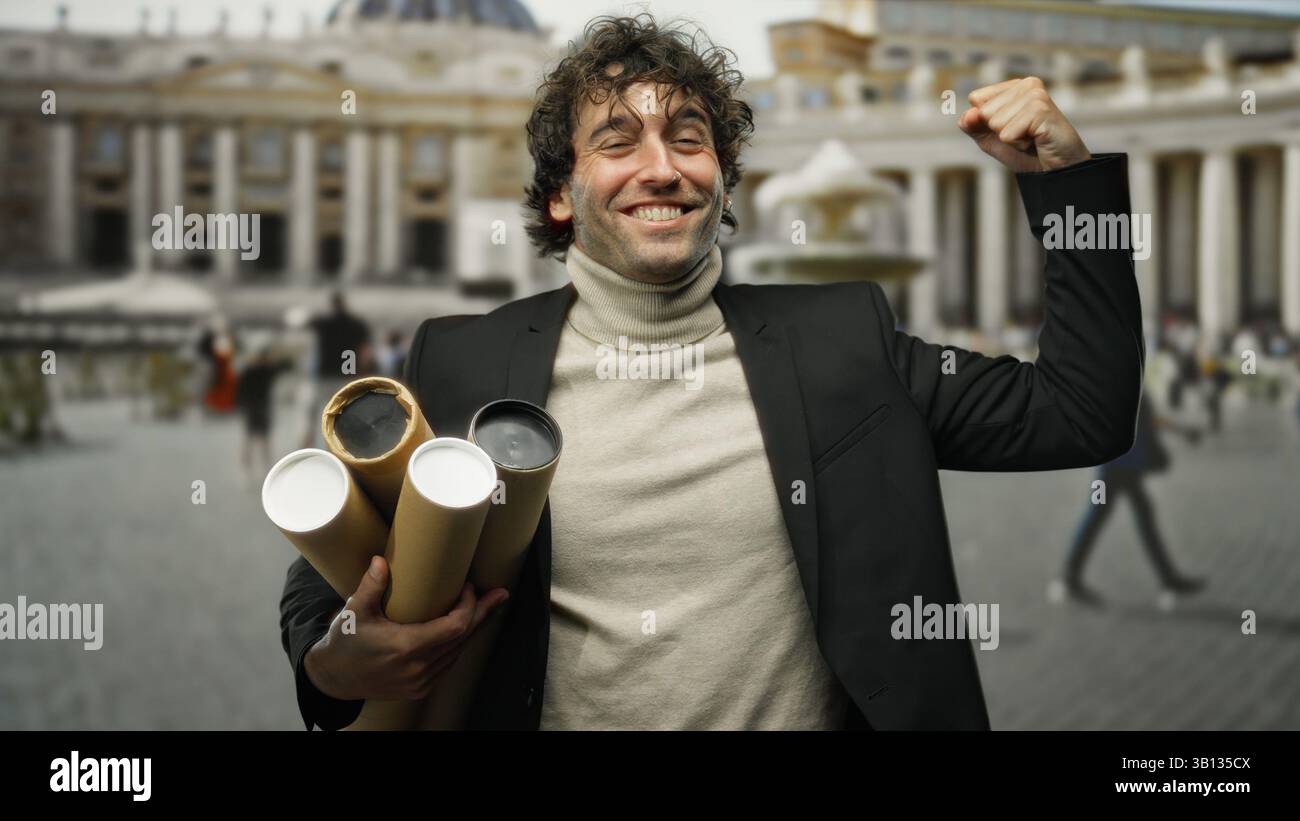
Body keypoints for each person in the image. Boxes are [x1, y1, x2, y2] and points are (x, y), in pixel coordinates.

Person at [280, 15, 1145, 731]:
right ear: (558, 195)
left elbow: (1082, 412)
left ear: (722, 182)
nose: (662, 167)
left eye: (689, 139)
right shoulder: (461, 358)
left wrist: (1067, 188)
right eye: (618, 142)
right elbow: (331, 575)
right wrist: (331, 667)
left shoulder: (847, 336)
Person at [1050, 396, 1205, 610]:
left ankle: (1070, 578)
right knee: (1126, 517)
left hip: (1119, 464)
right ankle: (1168, 579)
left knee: (1113, 517)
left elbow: (1146, 417)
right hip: (1118, 466)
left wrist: (1179, 430)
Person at [300, 291, 372, 449]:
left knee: (316, 409)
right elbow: (365, 352)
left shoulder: (325, 323)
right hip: (347, 372)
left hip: (326, 372)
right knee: (344, 409)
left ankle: (309, 438)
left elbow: (307, 322)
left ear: (332, 305)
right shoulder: (357, 324)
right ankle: (341, 442)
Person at [236, 345, 294, 481]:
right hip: (261, 407)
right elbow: (288, 364)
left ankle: (249, 470)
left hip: (253, 407)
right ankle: (264, 469)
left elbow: (240, 392)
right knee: (262, 440)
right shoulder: (267, 370)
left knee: (251, 439)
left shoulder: (250, 370)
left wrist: (241, 405)